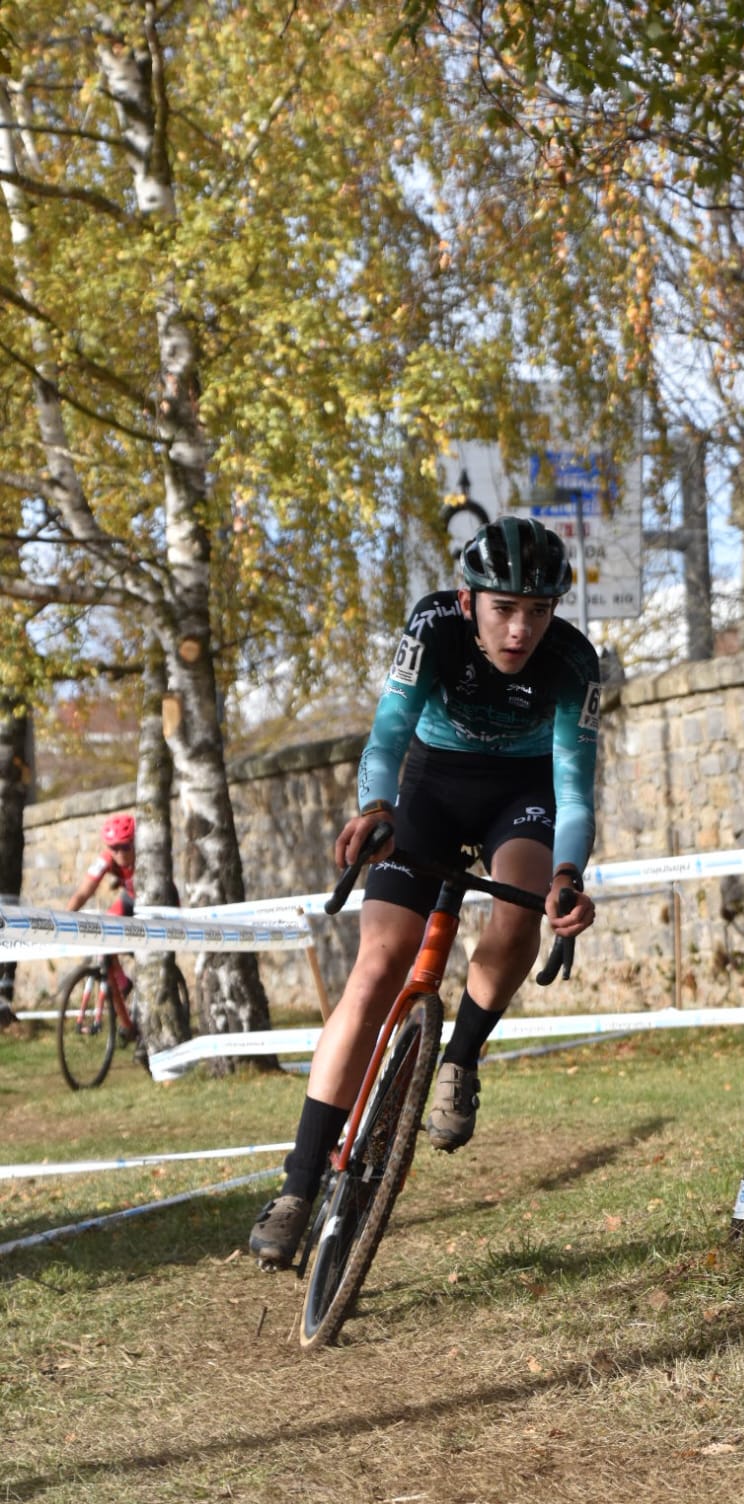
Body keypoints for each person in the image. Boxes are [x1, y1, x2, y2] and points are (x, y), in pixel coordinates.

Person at [250, 515, 601, 1268]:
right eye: (505, 608)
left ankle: (461, 1059)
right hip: (432, 785)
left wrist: (568, 875)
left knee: (517, 910)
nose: (521, 629)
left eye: (538, 611)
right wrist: (376, 809)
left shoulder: (573, 662)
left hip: (521, 794)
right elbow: (386, 731)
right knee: (379, 964)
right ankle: (297, 1186)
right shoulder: (434, 625)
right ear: (468, 598)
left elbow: (574, 793)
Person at [67, 813, 137, 1004]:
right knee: (107, 927)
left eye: (125, 846)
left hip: (152, 905)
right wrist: (64, 918)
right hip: (130, 900)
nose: (120, 853)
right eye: (114, 847)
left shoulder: (146, 853)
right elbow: (83, 892)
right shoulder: (106, 859)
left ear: (134, 842)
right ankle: (123, 984)